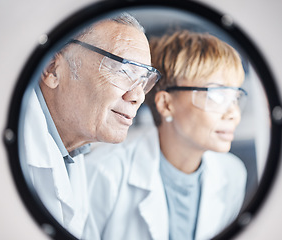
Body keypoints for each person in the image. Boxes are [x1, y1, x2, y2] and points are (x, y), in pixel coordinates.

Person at [85, 30, 247, 240]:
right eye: (216, 95)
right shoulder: (103, 172)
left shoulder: (233, 174)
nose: (234, 114)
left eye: (235, 97)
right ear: (166, 104)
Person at [19, 13, 160, 239]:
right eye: (123, 70)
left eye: (144, 80)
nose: (138, 96)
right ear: (53, 69)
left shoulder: (74, 152)